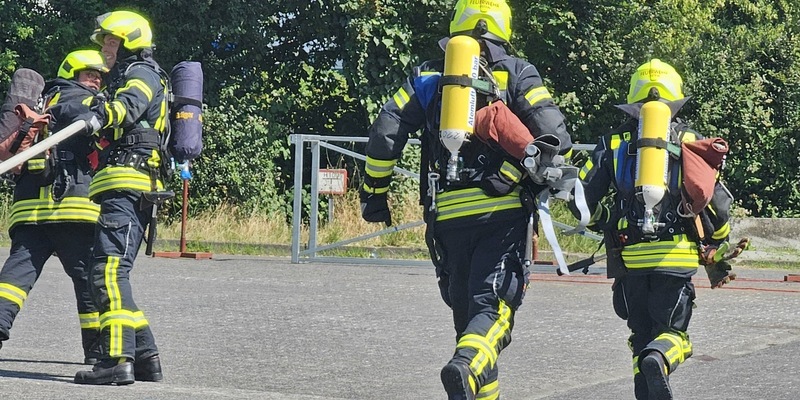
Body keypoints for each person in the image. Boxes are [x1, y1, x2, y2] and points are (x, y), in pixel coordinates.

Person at [359, 1, 571, 398]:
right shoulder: (518, 72)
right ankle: (463, 367)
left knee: (469, 324)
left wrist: (375, 195)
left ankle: (471, 378)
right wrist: (514, 174)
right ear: (504, 28)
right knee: (492, 312)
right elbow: (555, 137)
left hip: (447, 216)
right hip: (502, 211)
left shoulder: (429, 77)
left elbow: (385, 131)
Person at [575, 59, 736, 400]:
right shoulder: (691, 141)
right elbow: (718, 204)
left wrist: (604, 218)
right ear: (675, 102)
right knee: (672, 336)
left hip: (629, 259)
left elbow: (580, 200)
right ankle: (659, 358)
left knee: (641, 334)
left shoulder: (613, 142)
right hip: (674, 258)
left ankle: (647, 376)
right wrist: (717, 249)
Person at [73, 10, 168, 385]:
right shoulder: (136, 74)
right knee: (112, 272)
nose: (106, 49)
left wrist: (98, 115)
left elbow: (129, 106)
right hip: (127, 184)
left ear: (130, 41)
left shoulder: (140, 73)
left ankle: (116, 360)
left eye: (112, 41)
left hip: (128, 183)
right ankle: (146, 357)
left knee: (108, 272)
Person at [0, 49, 108, 364]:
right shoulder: (80, 99)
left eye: (99, 75)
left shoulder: (40, 104)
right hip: (72, 210)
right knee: (89, 280)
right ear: (72, 71)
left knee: (14, 278)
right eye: (90, 73)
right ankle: (97, 350)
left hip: (30, 212)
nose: (96, 79)